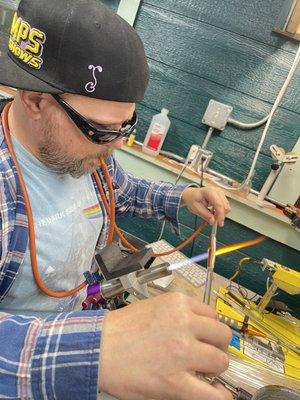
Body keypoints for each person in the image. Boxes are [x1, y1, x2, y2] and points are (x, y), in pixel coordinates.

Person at [0, 0, 233, 399]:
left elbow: (121, 189)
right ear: (35, 100)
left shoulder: (86, 154)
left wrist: (185, 196)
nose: (118, 144)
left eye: (128, 125)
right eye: (102, 130)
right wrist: (97, 351)